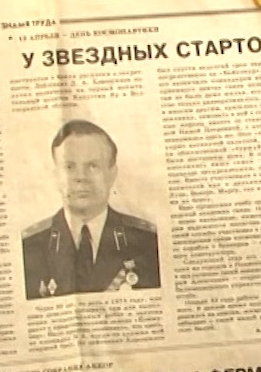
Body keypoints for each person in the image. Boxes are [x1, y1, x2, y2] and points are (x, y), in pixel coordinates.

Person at [22, 120, 162, 299]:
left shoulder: (148, 242)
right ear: (56, 176)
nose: (81, 177)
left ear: (112, 174)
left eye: (93, 166)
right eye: (69, 167)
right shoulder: (29, 246)